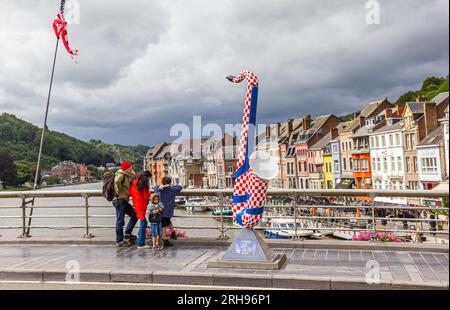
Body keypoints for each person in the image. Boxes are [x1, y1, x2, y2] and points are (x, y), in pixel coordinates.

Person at [113, 162, 137, 247]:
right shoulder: (121, 174)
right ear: (127, 167)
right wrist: (121, 191)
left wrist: (133, 175)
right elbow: (117, 181)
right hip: (120, 200)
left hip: (123, 200)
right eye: (131, 167)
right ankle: (119, 241)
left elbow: (132, 183)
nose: (132, 168)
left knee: (135, 215)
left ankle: (127, 234)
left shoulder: (126, 174)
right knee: (120, 221)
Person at [154, 176, 182, 247]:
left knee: (165, 222)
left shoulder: (159, 189)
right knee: (165, 221)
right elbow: (179, 187)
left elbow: (155, 187)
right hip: (169, 209)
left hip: (161, 209)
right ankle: (167, 237)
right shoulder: (172, 189)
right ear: (170, 182)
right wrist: (169, 186)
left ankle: (167, 237)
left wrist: (161, 186)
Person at [129, 170, 152, 249]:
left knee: (142, 222)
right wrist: (149, 193)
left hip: (136, 203)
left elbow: (131, 193)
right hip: (143, 205)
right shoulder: (143, 185)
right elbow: (146, 196)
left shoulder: (134, 181)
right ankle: (140, 243)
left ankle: (139, 240)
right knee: (143, 223)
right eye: (149, 179)